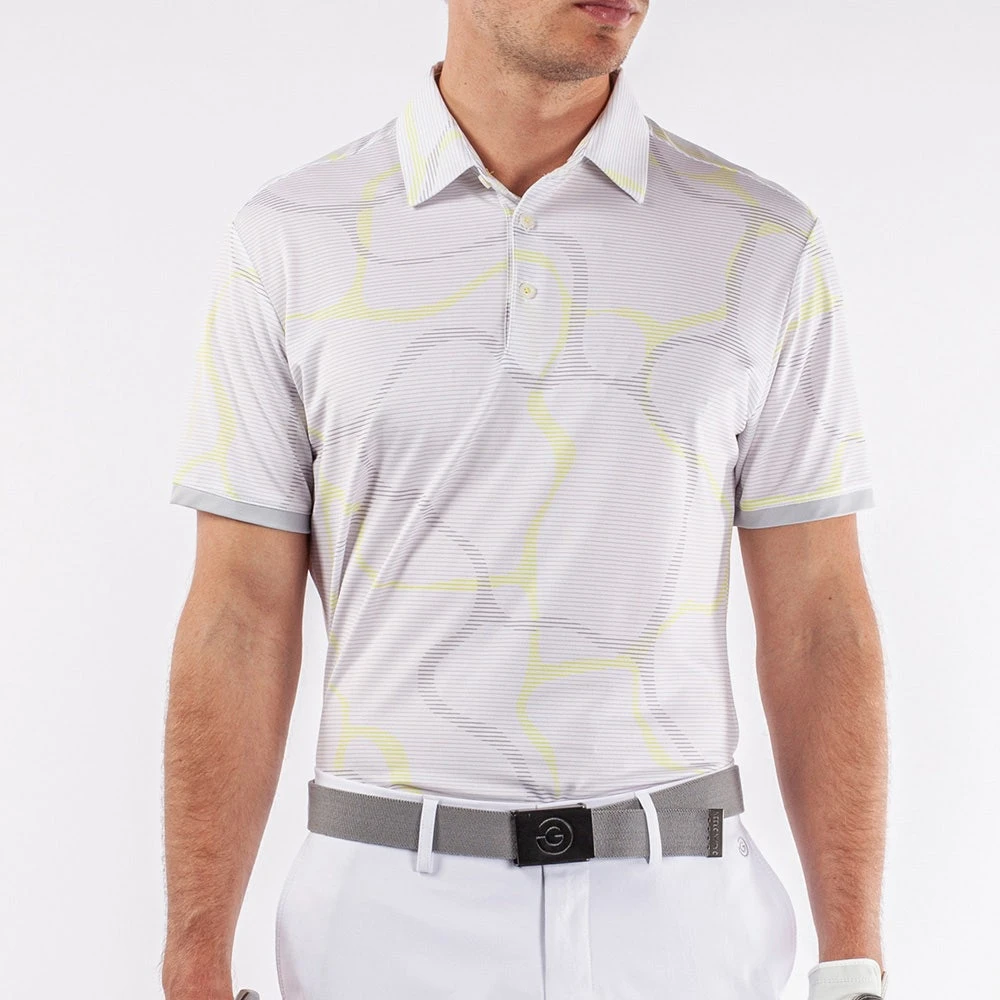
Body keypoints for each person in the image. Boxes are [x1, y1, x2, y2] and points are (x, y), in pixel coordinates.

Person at [160, 1, 889, 999]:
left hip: (682, 918)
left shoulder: (763, 242)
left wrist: (853, 961)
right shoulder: (292, 239)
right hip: (380, 923)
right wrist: (195, 953)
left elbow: (819, 615)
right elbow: (239, 614)